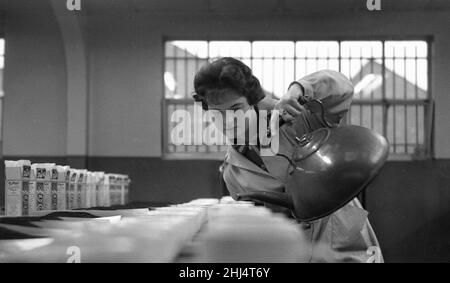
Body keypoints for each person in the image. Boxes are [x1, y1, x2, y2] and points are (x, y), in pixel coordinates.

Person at [193, 57, 383, 263]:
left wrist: (297, 90)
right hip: (293, 253)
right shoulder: (233, 171)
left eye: (236, 109)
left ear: (253, 102)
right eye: (216, 114)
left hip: (343, 240)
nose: (228, 121)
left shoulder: (299, 120)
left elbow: (341, 87)